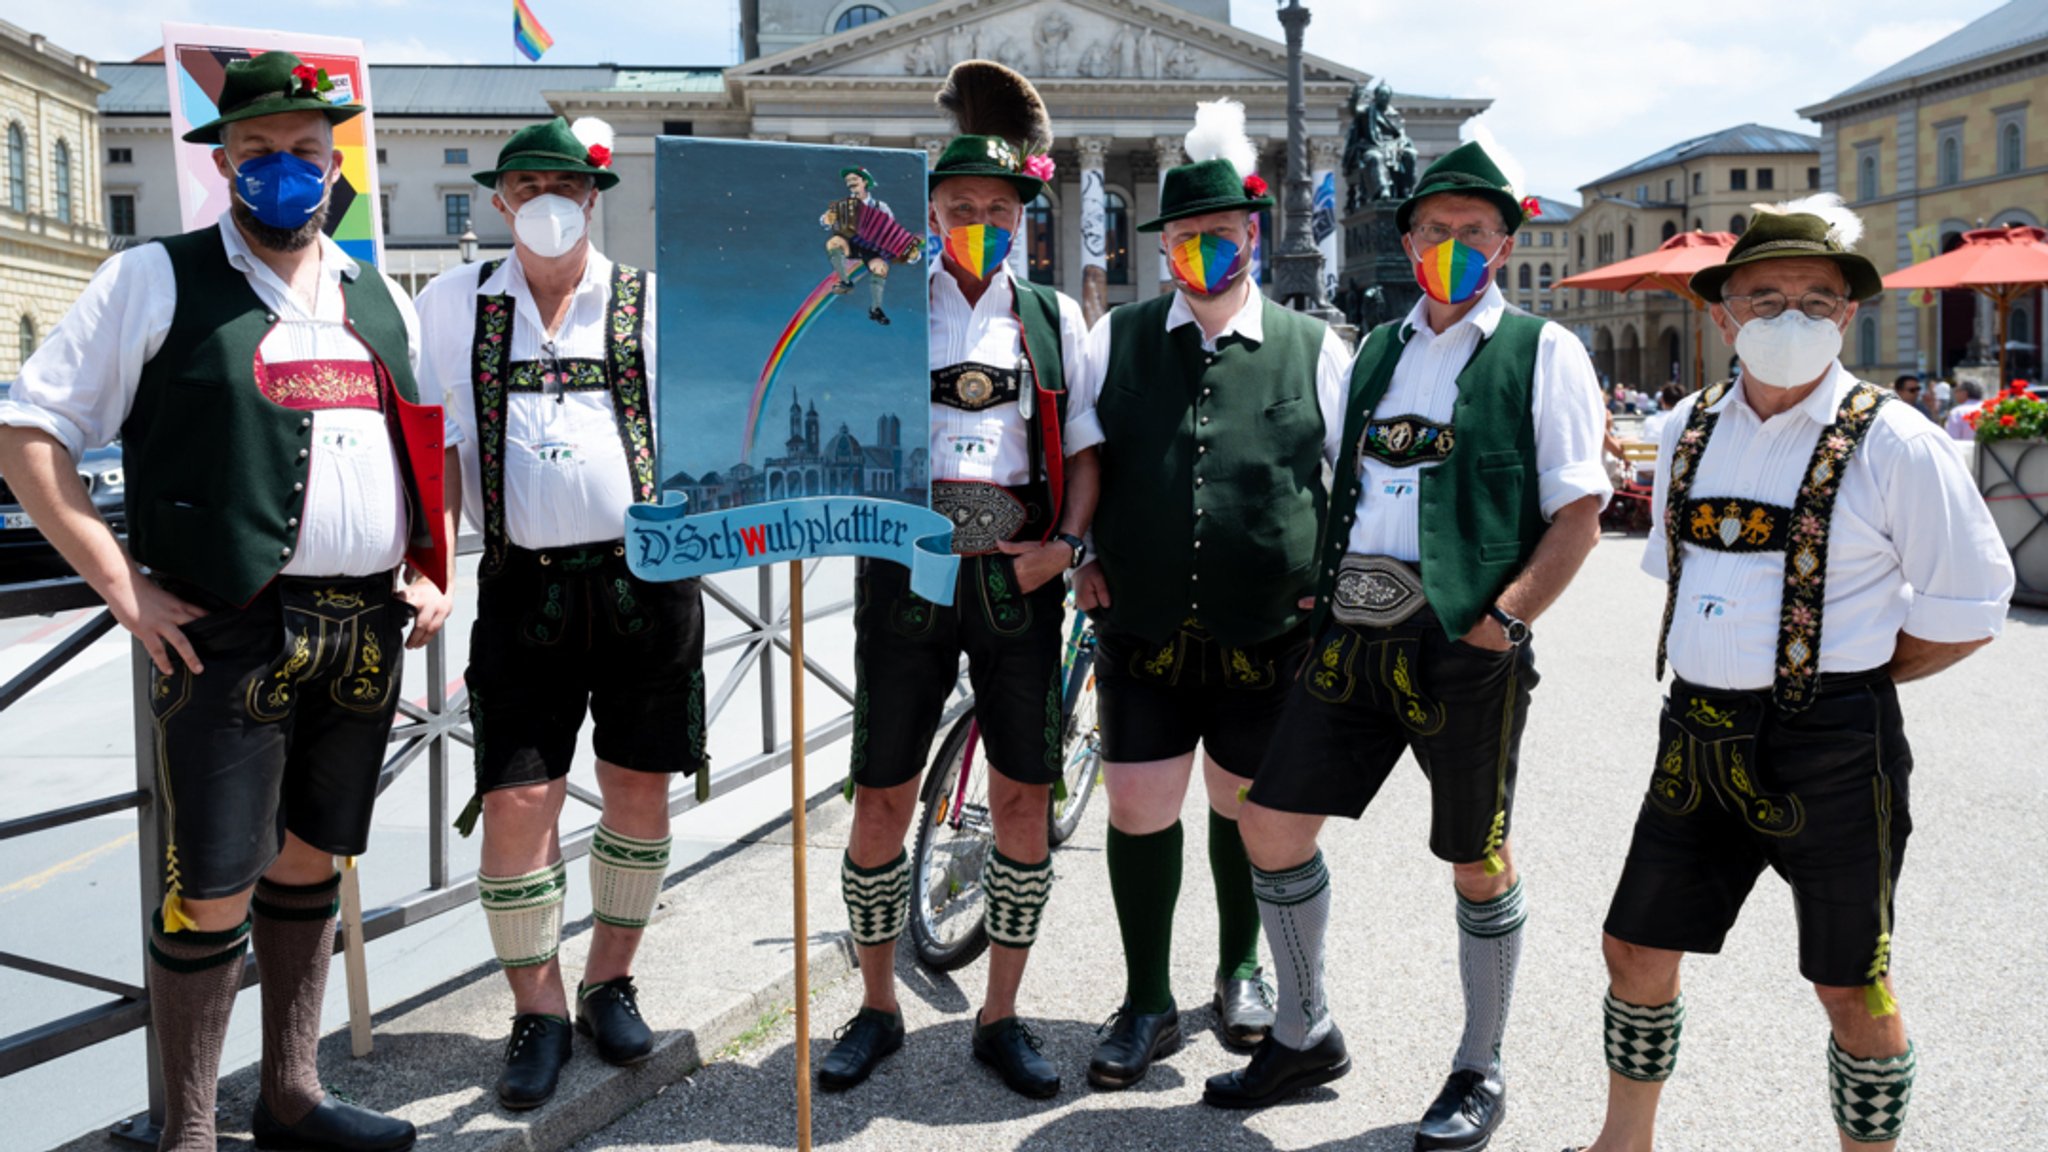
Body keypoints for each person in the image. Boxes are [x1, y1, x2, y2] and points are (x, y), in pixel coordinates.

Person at [0, 51, 446, 1152]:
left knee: (309, 860)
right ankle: (189, 1130)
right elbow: (27, 434)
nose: (286, 169)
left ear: (334, 162)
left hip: (363, 623)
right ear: (224, 164)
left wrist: (434, 564)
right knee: (210, 887)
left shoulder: (372, 290)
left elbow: (421, 442)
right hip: (223, 631)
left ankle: (290, 1095)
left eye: (306, 150)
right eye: (259, 152)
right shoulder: (154, 278)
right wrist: (122, 589)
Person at [1570, 195, 2014, 1152]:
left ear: (1849, 314)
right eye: (1765, 295)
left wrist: (1842, 679)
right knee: (1636, 946)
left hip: (1832, 745)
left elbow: (1971, 611)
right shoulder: (1688, 427)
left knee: (1853, 982)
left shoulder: (1896, 440)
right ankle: (1624, 1144)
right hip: (1693, 732)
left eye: (1817, 298)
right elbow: (1686, 584)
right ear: (1722, 310)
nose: (1791, 316)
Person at [1206, 139, 1611, 1152]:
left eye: (1473, 232)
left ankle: (1478, 1064)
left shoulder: (1539, 351)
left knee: (1476, 857)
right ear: (1405, 239)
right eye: (1434, 231)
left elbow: (1578, 511)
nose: (1451, 246)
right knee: (1271, 823)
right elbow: (1341, 479)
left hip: (1460, 642)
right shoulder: (1377, 350)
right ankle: (1302, 1030)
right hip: (1351, 632)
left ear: (1503, 243)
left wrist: (1499, 622)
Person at [817, 60, 1099, 1101]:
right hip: (905, 567)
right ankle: (878, 1006)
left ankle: (1000, 1015)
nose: (977, 220)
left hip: (1013, 577)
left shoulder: (1053, 319)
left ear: (1021, 213)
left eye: (995, 208)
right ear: (929, 211)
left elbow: (1084, 454)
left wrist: (1063, 548)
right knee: (881, 792)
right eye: (958, 207)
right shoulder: (879, 304)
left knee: (1023, 796)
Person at [413, 116, 707, 1110]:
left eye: (565, 185)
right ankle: (535, 1009)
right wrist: (431, 566)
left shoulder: (651, 303)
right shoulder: (454, 306)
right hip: (522, 589)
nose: (546, 200)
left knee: (636, 794)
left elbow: (713, 435)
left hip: (644, 587)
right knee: (518, 801)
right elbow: (440, 451)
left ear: (593, 196)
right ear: (499, 200)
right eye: (526, 184)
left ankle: (608, 981)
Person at [1071, 98, 1350, 1091]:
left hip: (1264, 632)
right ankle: (1146, 998)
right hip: (1141, 628)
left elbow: (1353, 483)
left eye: (1220, 237)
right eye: (1185, 238)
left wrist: (1335, 589)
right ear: (1163, 246)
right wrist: (1076, 551)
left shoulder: (1314, 350)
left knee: (1240, 809)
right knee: (1139, 809)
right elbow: (1082, 460)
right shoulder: (1114, 341)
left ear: (1252, 238)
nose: (1202, 252)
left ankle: (1239, 972)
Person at [822, 166, 904, 325]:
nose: (850, 183)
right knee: (833, 242)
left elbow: (892, 229)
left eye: (854, 179)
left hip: (871, 248)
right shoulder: (842, 206)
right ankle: (846, 282)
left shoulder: (881, 207)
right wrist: (827, 220)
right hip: (850, 244)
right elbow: (825, 221)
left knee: (881, 268)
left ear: (865, 181)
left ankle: (875, 309)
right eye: (848, 181)